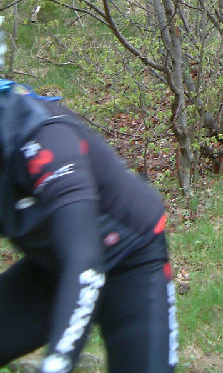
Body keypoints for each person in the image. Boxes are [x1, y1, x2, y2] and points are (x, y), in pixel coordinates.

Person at [0, 80, 178, 373]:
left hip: (131, 260)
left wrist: (56, 363)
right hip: (52, 266)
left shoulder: (46, 138)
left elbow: (84, 264)